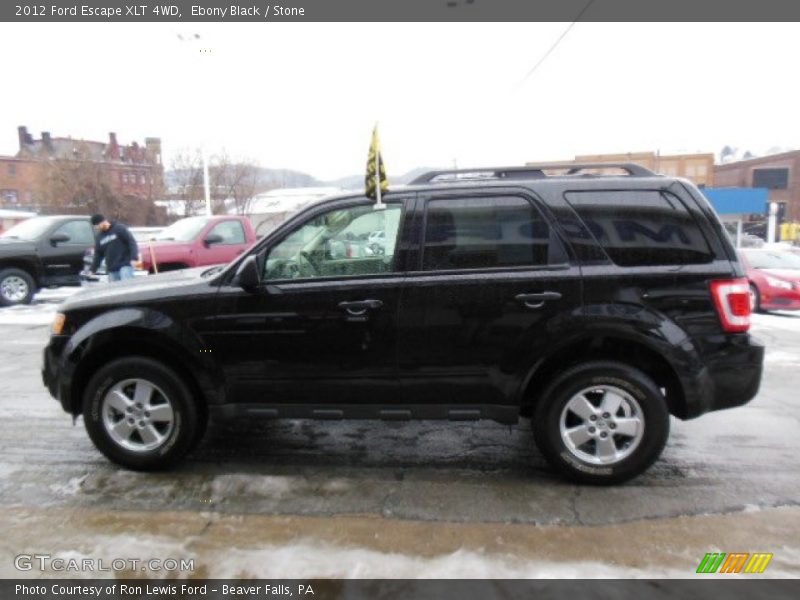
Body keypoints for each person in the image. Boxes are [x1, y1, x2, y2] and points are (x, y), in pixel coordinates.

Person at [90, 214, 140, 282]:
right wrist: (93, 270)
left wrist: (134, 258)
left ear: (102, 222)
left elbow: (131, 242)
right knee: (114, 290)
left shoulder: (119, 228)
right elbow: (98, 255)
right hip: (112, 269)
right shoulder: (99, 238)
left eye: (97, 226)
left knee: (126, 285)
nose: (97, 228)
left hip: (125, 264)